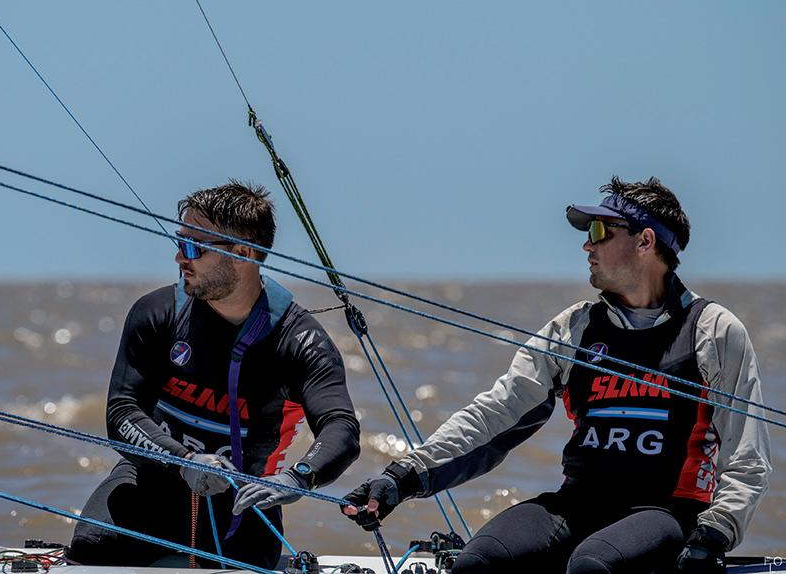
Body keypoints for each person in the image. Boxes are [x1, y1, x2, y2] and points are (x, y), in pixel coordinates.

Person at [342, 177, 771, 574]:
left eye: (600, 232)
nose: (587, 245)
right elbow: (497, 412)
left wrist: (716, 532)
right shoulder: (575, 328)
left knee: (591, 567)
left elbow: (747, 458)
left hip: (665, 512)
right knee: (477, 562)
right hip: (577, 504)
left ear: (645, 241)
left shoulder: (713, 331)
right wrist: (402, 476)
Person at [69, 181, 360, 569]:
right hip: (151, 481)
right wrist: (185, 460)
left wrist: (298, 478)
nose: (179, 257)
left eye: (194, 247)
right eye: (180, 242)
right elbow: (122, 411)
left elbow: (341, 427)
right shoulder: (158, 313)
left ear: (242, 254)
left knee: (247, 560)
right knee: (91, 547)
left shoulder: (299, 341)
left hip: (241, 505)